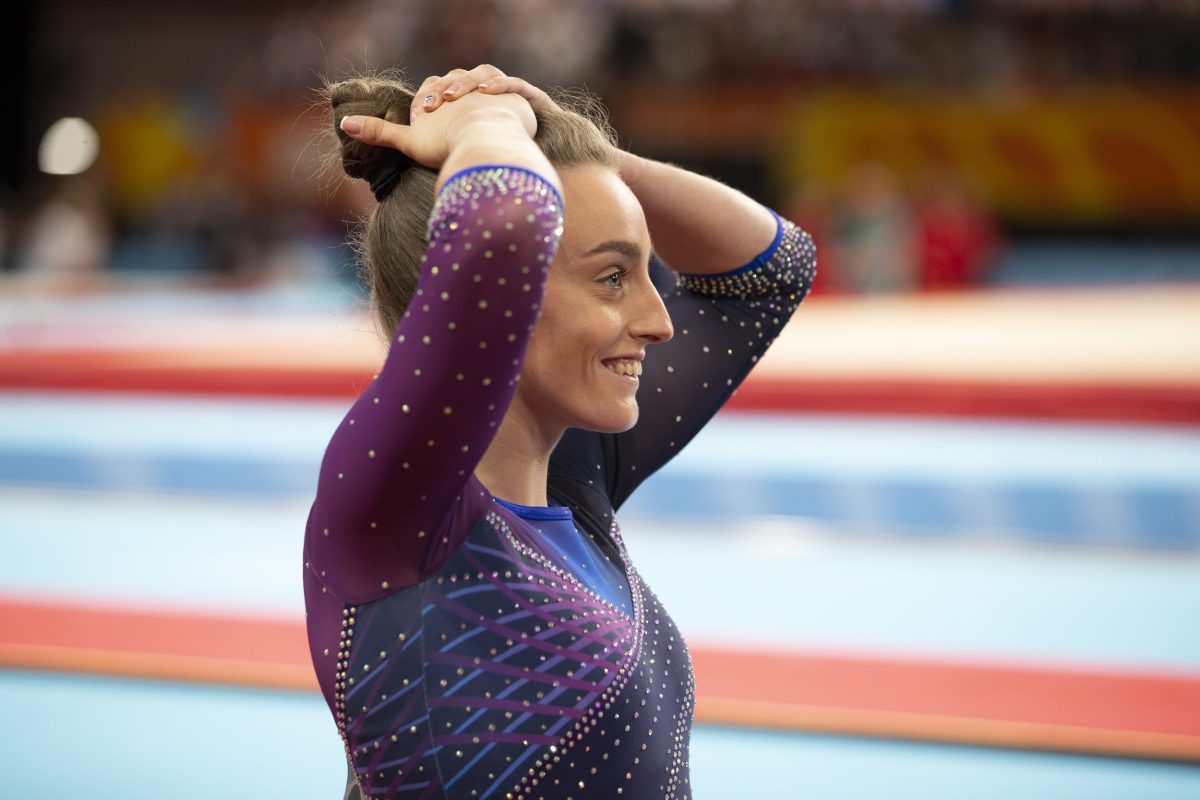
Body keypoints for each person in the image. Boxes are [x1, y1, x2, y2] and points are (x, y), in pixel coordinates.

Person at [304, 64, 815, 799]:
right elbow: (503, 220)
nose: (659, 320)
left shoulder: (575, 479)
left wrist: (592, 158)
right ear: (494, 299)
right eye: (613, 278)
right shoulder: (400, 511)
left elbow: (769, 271)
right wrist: (486, 123)